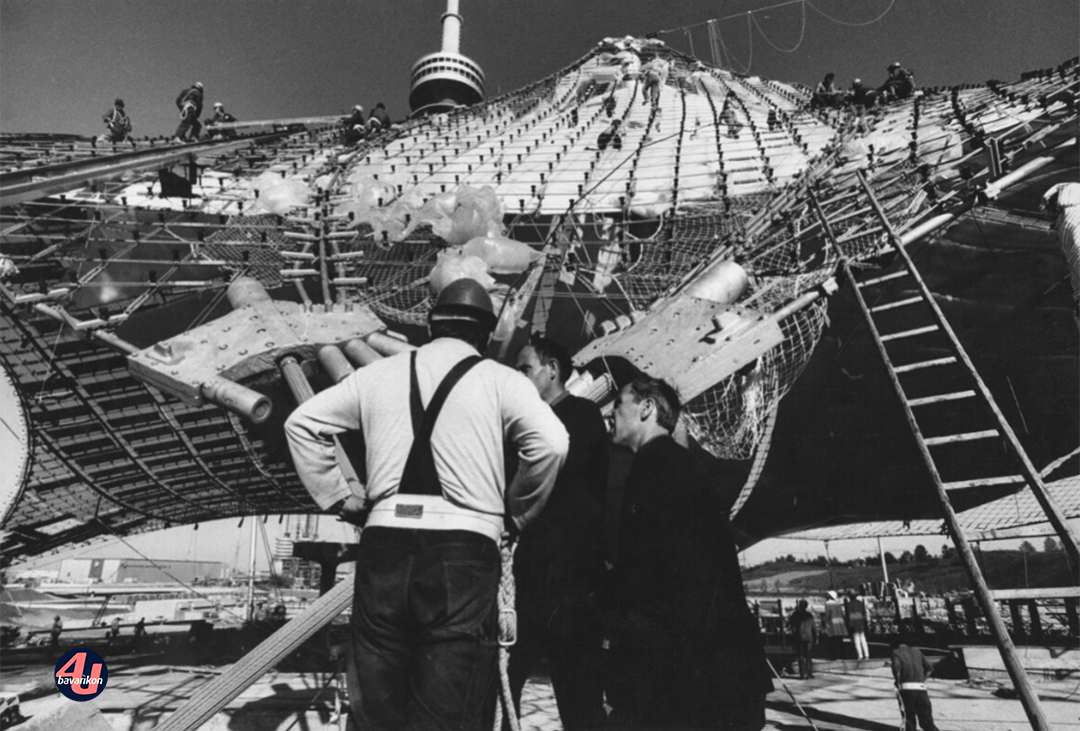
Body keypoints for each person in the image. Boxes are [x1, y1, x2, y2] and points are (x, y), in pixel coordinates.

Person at [285, 277, 569, 731]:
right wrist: (517, 513)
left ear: (432, 325)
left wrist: (340, 498)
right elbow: (552, 443)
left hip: (385, 545)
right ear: (485, 333)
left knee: (377, 706)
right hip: (464, 550)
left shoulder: (376, 375)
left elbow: (302, 423)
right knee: (448, 709)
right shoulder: (502, 381)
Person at [606, 376, 771, 730]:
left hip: (692, 673)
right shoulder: (676, 463)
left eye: (618, 403)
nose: (611, 412)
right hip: (721, 667)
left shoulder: (654, 466)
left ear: (646, 408)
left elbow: (649, 572)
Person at [508, 336, 609, 731]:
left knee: (578, 694)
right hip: (531, 575)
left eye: (525, 369)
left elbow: (559, 474)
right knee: (505, 683)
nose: (518, 378)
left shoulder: (582, 415)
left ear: (552, 370)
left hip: (570, 580)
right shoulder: (528, 422)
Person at [891, 638, 940, 731]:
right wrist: (922, 680)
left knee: (909, 718)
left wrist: (897, 682)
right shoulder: (917, 651)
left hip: (906, 689)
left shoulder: (896, 653)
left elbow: (897, 669)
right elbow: (929, 668)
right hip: (921, 689)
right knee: (927, 720)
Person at [789, 599, 817, 679]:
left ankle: (802, 674)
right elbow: (813, 627)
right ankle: (809, 673)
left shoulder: (795, 614)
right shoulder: (809, 615)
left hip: (799, 637)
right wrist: (815, 637)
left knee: (801, 656)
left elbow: (791, 624)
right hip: (809, 637)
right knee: (808, 656)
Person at [823, 590, 848, 659]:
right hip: (840, 622)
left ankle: (834, 655)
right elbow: (842, 614)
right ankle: (843, 655)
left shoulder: (828, 603)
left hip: (832, 622)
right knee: (840, 640)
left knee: (833, 640)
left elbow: (827, 614)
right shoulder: (837, 603)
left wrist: (825, 621)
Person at [846, 589, 870, 660]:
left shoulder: (849, 604)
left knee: (856, 640)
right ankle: (866, 655)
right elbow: (864, 613)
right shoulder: (860, 602)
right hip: (861, 623)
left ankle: (860, 655)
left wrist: (850, 625)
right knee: (863, 639)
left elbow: (849, 615)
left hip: (854, 623)